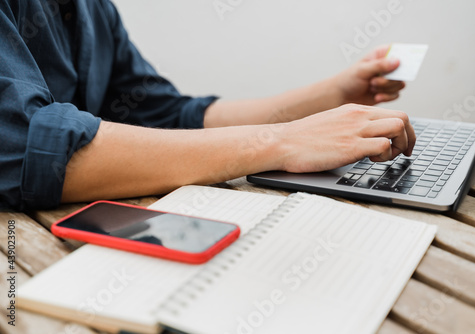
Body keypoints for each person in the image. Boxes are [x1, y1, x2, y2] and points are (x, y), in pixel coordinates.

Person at [0, 0, 414, 211]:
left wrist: (333, 95)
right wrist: (281, 142)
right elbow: (27, 152)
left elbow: (170, 116)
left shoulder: (93, 9)